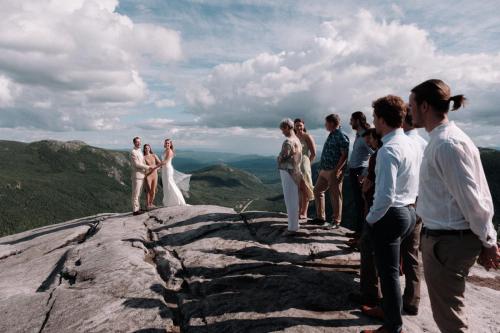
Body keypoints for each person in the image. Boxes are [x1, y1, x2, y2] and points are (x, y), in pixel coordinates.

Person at [410, 79, 499, 332]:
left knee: (449, 318)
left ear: (425, 106)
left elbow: (472, 199)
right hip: (447, 238)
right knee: (446, 314)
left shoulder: (447, 144)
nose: (409, 111)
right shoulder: (442, 140)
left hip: (448, 242)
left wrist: (489, 241)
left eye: (412, 105)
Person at [361, 95, 421, 333]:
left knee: (389, 274)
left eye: (375, 117)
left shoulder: (388, 150)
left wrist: (370, 219)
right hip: (410, 211)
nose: (373, 121)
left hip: (391, 215)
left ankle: (392, 325)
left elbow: (385, 196)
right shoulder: (411, 143)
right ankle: (387, 309)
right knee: (395, 269)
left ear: (383, 119)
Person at [399, 108, 428, 315]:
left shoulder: (403, 143)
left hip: (400, 202)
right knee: (411, 252)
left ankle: (384, 298)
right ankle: (413, 299)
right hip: (419, 201)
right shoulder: (424, 143)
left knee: (386, 252)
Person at [356, 128, 382, 308]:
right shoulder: (409, 146)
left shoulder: (379, 155)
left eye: (370, 139)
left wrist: (371, 217)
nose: (369, 143)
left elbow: (370, 184)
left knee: (369, 250)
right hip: (406, 209)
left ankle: (370, 295)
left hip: (377, 208)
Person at [312, 114, 349, 229]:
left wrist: (337, 170)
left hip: (333, 170)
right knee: (317, 190)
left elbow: (344, 155)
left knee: (335, 196)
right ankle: (320, 217)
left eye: (326, 123)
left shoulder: (341, 136)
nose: (325, 125)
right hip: (324, 169)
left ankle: (336, 221)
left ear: (332, 123)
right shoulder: (332, 134)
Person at [348, 111, 373, 238]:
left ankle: (361, 233)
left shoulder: (365, 137)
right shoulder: (359, 135)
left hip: (359, 172)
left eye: (351, 120)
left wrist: (365, 172)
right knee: (357, 202)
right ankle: (358, 231)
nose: (350, 122)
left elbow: (375, 153)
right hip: (354, 171)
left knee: (361, 203)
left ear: (357, 120)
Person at [277, 118, 303, 234]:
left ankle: (292, 227)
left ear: (287, 127)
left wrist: (278, 159)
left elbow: (282, 157)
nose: (282, 132)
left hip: (288, 172)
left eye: (283, 129)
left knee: (289, 199)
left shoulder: (288, 141)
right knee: (294, 198)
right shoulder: (297, 139)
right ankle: (294, 224)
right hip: (296, 171)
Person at [294, 118, 316, 220]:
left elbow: (314, 153)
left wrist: (307, 163)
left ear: (303, 125)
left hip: (304, 163)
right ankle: (298, 211)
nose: (298, 127)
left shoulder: (307, 136)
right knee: (297, 189)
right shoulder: (293, 137)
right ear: (294, 126)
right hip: (295, 165)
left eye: (300, 125)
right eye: (297, 125)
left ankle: (304, 212)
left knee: (305, 188)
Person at [161, 139, 190, 207]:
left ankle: (177, 201)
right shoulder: (165, 151)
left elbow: (165, 161)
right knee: (166, 184)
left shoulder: (170, 151)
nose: (167, 144)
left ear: (170, 144)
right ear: (164, 144)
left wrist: (156, 166)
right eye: (166, 143)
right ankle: (168, 202)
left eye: (168, 143)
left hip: (168, 169)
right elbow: (163, 161)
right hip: (164, 169)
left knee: (170, 184)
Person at [130, 137, 154, 215]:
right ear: (134, 143)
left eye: (140, 142)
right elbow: (137, 164)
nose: (139, 143)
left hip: (142, 175)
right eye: (137, 142)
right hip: (137, 175)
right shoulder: (133, 152)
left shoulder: (139, 151)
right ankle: (135, 210)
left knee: (139, 193)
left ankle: (138, 208)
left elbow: (142, 162)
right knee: (135, 193)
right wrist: (148, 167)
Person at [143, 144, 162, 210]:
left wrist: (157, 168)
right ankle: (147, 205)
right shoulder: (143, 157)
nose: (147, 149)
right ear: (144, 149)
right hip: (148, 175)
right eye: (145, 148)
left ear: (150, 148)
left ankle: (151, 203)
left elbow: (160, 163)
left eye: (148, 148)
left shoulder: (154, 155)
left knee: (153, 191)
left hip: (155, 174)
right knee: (148, 190)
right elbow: (143, 167)